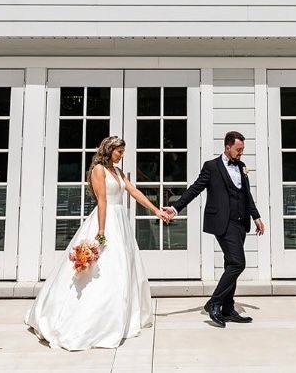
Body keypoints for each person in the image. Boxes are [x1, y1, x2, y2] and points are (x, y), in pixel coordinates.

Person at [25, 136, 173, 351]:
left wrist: (157, 210)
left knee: (123, 267)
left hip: (120, 222)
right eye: (119, 151)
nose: (122, 155)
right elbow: (102, 201)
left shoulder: (118, 171)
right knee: (102, 269)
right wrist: (101, 231)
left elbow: (134, 192)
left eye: (123, 151)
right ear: (109, 150)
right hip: (106, 220)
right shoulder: (99, 170)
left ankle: (122, 315)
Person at [163, 131, 265, 328]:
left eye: (242, 150)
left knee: (230, 265)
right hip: (222, 223)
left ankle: (228, 308)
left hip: (240, 222)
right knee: (238, 263)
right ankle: (215, 303)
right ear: (227, 147)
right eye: (238, 149)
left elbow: (246, 195)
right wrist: (176, 208)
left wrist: (256, 216)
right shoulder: (211, 167)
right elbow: (195, 188)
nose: (241, 153)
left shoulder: (242, 166)